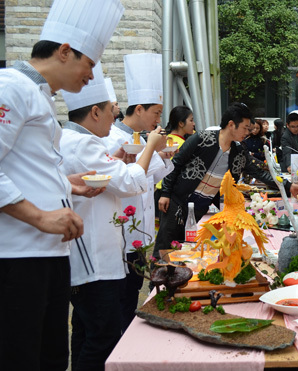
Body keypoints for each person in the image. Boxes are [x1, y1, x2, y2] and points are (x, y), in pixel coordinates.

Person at [0, 0, 124, 369]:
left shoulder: (39, 96)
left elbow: (23, 166)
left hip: (48, 254)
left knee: (52, 356)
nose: (91, 75)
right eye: (89, 64)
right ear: (65, 51)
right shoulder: (11, 87)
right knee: (21, 356)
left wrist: (67, 185)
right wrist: (40, 216)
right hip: (18, 256)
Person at [60, 63, 167, 370]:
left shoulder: (73, 140)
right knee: (103, 338)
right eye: (111, 111)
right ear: (95, 112)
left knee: (84, 332)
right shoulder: (83, 143)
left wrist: (120, 160)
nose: (115, 117)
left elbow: (116, 177)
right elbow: (132, 182)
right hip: (94, 256)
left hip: (92, 251)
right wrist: (149, 147)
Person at [155, 103, 298, 257]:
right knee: (164, 247)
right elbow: (175, 163)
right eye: (245, 128)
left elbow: (259, 173)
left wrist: (288, 186)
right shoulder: (202, 138)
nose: (248, 132)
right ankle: (155, 280)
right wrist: (165, 192)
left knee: (182, 248)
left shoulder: (239, 151)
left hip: (199, 208)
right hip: (177, 202)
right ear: (231, 125)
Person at [102, 53, 174, 332]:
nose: (159, 119)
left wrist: (161, 154)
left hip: (141, 231)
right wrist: (153, 150)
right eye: (156, 112)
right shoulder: (111, 139)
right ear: (140, 109)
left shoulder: (142, 138)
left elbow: (154, 176)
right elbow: (129, 180)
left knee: (133, 293)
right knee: (122, 300)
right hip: (121, 231)